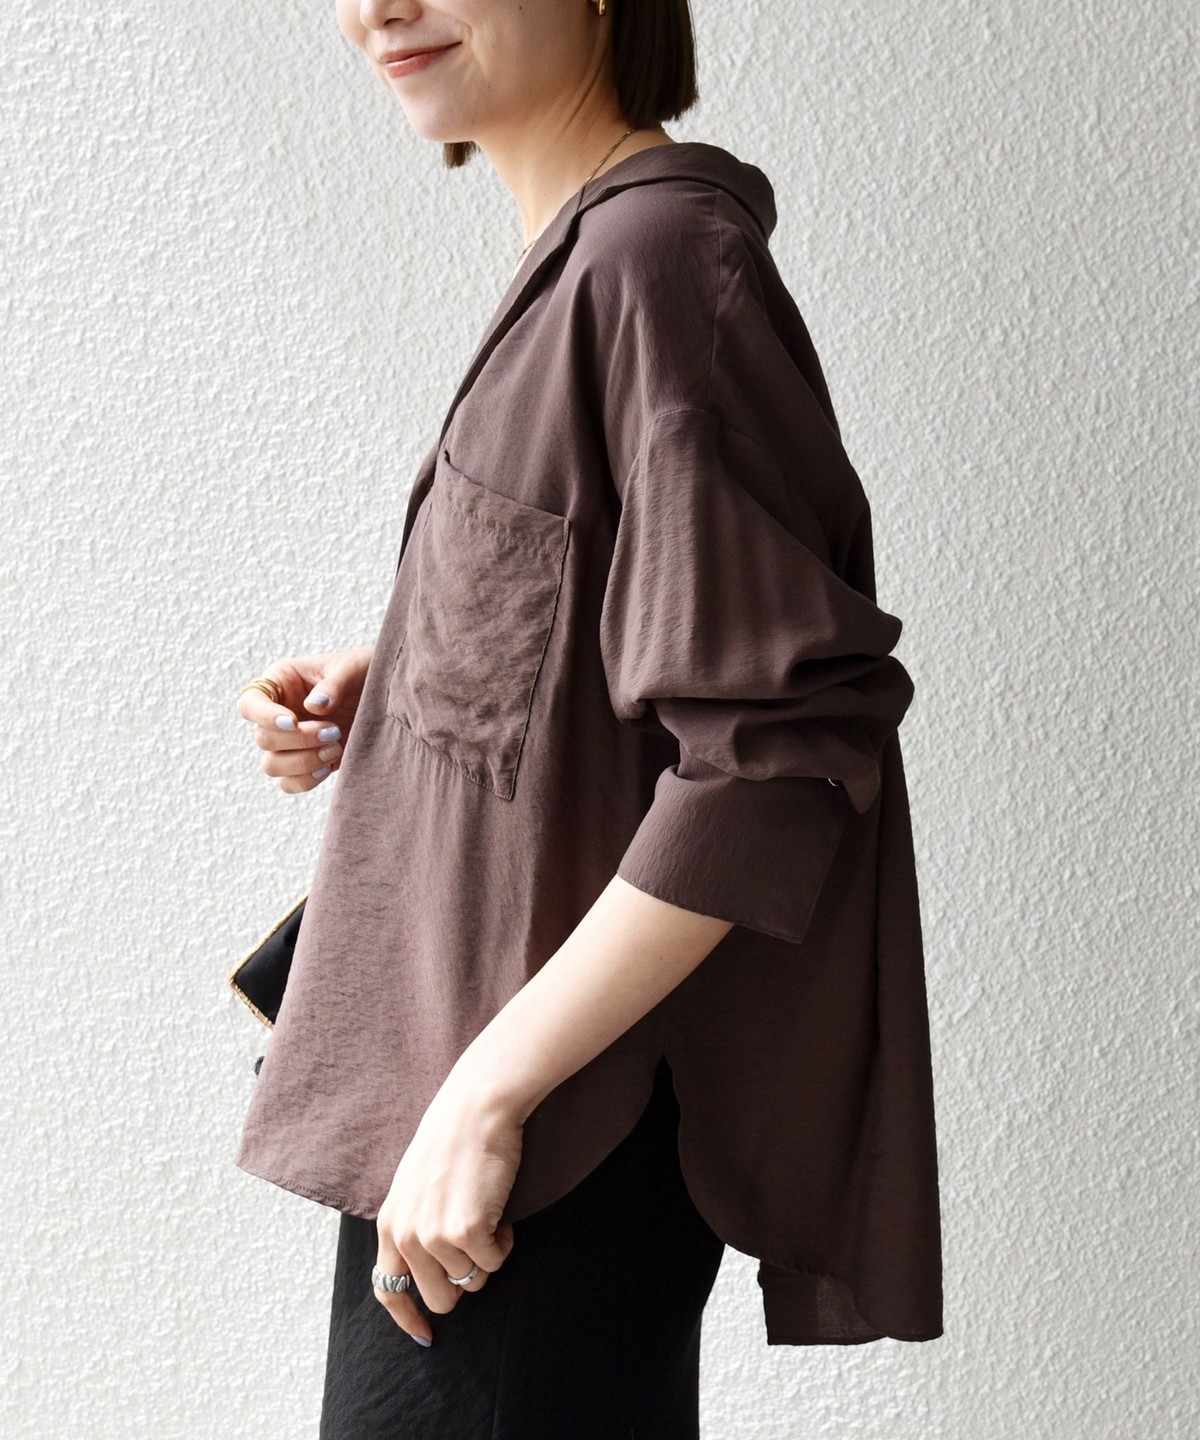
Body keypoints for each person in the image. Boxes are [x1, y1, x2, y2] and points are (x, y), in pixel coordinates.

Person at [233, 2, 943, 1435]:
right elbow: (629, 620)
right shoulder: (588, 258)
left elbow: (769, 758)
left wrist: (485, 1097)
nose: (376, 7)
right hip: (482, 1133)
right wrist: (422, 664)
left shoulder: (659, 262)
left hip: (535, 1151)